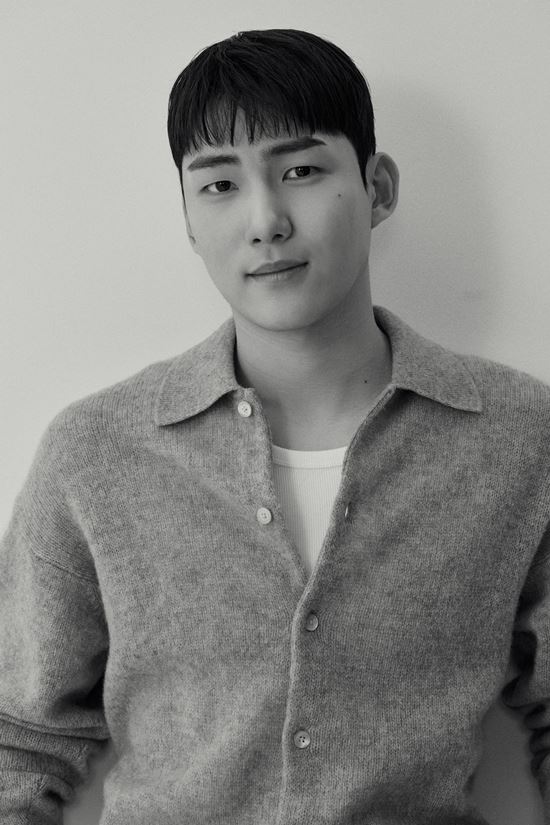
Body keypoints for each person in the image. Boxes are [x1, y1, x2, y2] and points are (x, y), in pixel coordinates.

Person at [1, 27, 549, 825]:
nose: (265, 221)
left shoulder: (518, 438)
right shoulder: (94, 454)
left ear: (378, 187)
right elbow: (17, 738)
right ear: (189, 219)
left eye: (300, 171)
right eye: (219, 185)